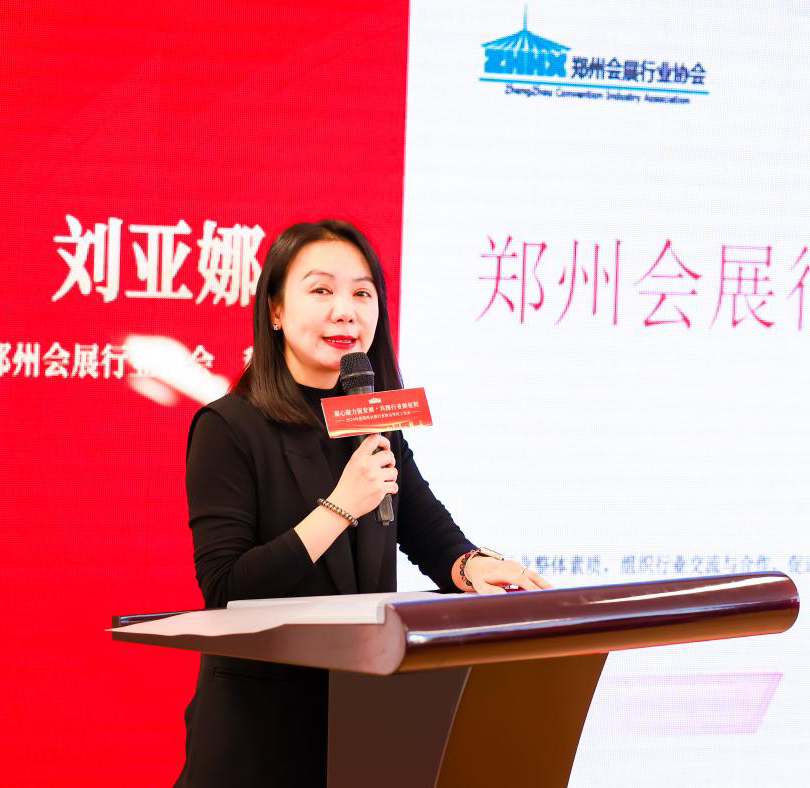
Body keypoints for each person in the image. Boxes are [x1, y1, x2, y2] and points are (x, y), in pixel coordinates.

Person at [175, 219, 551, 788]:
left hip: (364, 713)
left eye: (362, 293)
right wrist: (339, 507)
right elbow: (226, 590)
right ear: (275, 309)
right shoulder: (229, 426)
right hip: (260, 733)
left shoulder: (371, 414)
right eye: (321, 290)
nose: (345, 312)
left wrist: (471, 565)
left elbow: (422, 525)